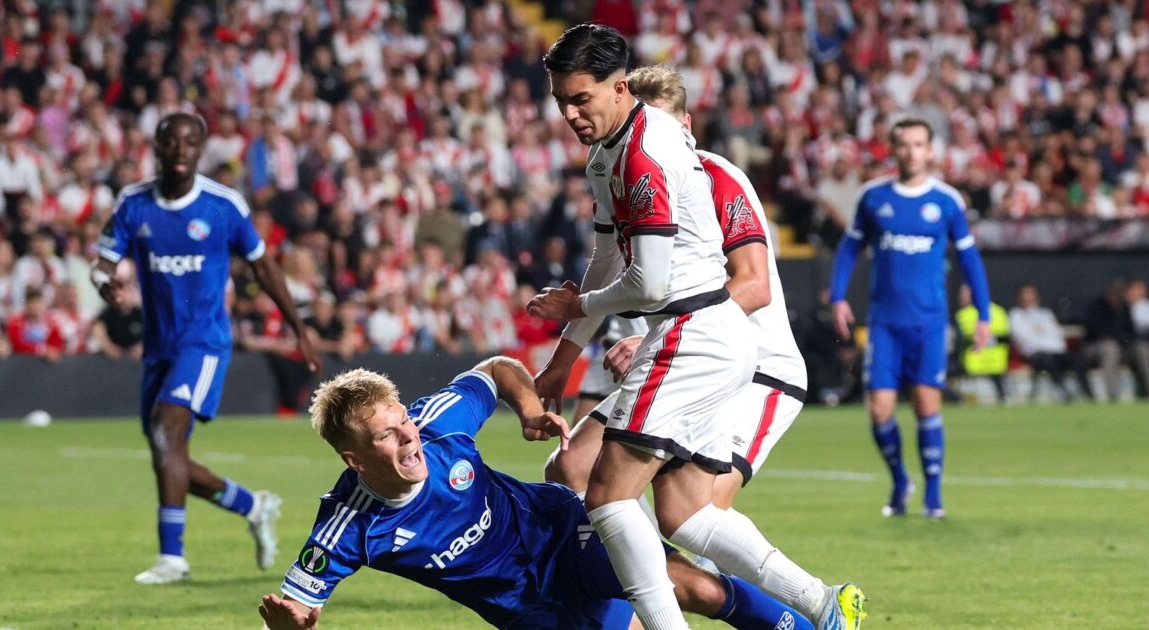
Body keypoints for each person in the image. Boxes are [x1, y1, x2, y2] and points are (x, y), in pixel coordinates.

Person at [529, 25, 856, 630]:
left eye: (581, 100)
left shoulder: (649, 157)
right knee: (682, 512)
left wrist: (574, 309)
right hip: (699, 336)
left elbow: (651, 286)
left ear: (619, 88)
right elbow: (606, 258)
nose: (571, 114)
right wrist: (563, 358)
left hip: (697, 333)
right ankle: (822, 605)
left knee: (606, 495)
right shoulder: (607, 154)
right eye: (561, 102)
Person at [259, 357, 813, 630]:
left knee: (690, 586)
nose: (409, 437)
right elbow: (298, 608)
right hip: (524, 607)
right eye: (387, 435)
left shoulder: (439, 426)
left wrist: (527, 407)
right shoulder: (347, 527)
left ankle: (817, 625)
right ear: (353, 459)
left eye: (403, 420)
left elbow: (498, 370)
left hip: (558, 531)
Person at [92, 112, 321, 584]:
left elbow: (263, 266)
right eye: (171, 142)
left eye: (190, 142)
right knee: (165, 451)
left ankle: (172, 558)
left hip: (205, 342)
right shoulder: (134, 203)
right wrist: (104, 284)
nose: (180, 150)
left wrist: (298, 327)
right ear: (156, 146)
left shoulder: (223, 206)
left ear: (200, 149)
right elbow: (101, 263)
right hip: (158, 346)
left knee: (166, 432)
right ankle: (253, 505)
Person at [829, 118, 992, 519]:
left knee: (925, 404)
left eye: (919, 144)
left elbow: (970, 258)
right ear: (893, 149)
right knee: (880, 409)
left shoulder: (948, 201)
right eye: (904, 144)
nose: (912, 151)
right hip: (884, 321)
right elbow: (849, 248)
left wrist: (983, 313)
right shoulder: (873, 197)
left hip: (930, 322)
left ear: (931, 151)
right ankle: (901, 479)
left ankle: (933, 494)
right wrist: (838, 296)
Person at [1008, 283, 1094, 402]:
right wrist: (1042, 336)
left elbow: (1056, 334)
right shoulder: (1016, 315)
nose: (1028, 298)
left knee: (1076, 359)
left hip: (1055, 351)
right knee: (1048, 359)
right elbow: (1024, 338)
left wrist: (1041, 334)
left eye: (1031, 294)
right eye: (1025, 295)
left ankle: (1089, 394)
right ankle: (1062, 392)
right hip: (1035, 354)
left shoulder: (1045, 313)